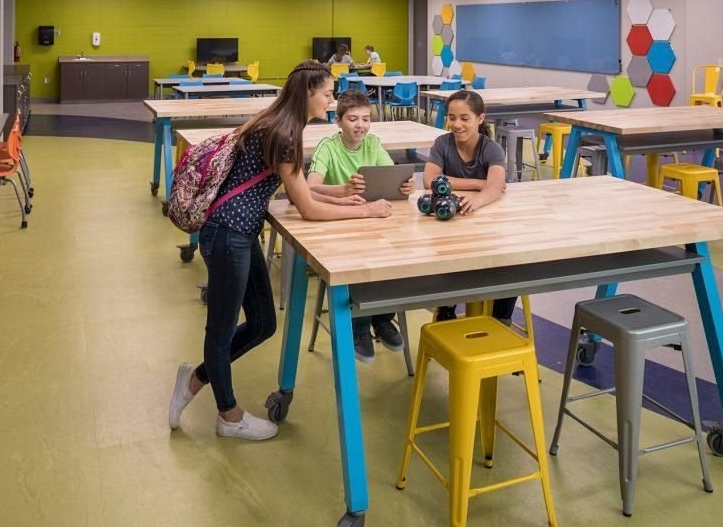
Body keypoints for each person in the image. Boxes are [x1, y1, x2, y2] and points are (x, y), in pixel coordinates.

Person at [169, 61, 393, 441]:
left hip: (238, 231)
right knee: (221, 331)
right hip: (227, 234)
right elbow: (305, 207)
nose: (332, 99)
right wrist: (367, 210)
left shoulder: (276, 120)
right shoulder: (286, 134)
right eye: (327, 93)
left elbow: (297, 185)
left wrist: (341, 196)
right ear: (309, 93)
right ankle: (228, 415)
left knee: (262, 324)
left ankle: (195, 378)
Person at [307, 88, 413, 362]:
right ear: (338, 121)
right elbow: (309, 189)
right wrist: (342, 190)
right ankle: (361, 325)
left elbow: (389, 177)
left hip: (372, 221)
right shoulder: (327, 147)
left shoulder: (373, 144)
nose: (361, 125)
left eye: (366, 119)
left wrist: (404, 185)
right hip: (338, 225)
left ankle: (381, 316)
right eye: (353, 119)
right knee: (358, 258)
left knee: (398, 252)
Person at [423, 89, 516, 324]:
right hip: (450, 225)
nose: (457, 124)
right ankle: (446, 308)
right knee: (448, 257)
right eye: (452, 118)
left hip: (487, 225)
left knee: (511, 261)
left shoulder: (491, 148)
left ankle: (501, 317)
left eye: (465, 118)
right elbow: (430, 180)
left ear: (480, 119)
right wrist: (477, 183)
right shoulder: (442, 143)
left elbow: (496, 187)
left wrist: (477, 199)